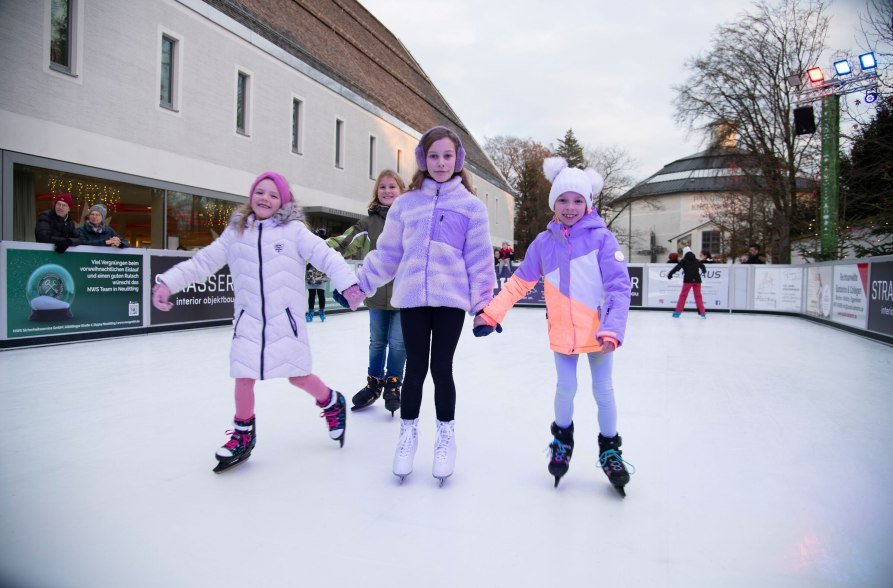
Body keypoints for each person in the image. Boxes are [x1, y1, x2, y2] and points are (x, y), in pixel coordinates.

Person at [151, 171, 365, 473]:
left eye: (273, 194)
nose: (265, 198)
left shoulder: (294, 231)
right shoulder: (237, 231)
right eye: (260, 192)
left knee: (298, 376)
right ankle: (243, 434)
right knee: (243, 375)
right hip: (249, 319)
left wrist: (349, 285)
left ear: (284, 201)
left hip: (285, 320)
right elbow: (202, 263)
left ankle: (331, 402)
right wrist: (167, 283)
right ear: (251, 196)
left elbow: (326, 257)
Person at [473, 156, 633, 496]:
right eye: (563, 199)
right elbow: (518, 283)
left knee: (603, 391)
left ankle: (610, 450)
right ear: (554, 203)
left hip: (599, 332)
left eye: (578, 200)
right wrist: (491, 313)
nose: (571, 207)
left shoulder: (603, 240)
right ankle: (561, 440)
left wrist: (613, 328)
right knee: (566, 388)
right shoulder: (544, 244)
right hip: (563, 331)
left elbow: (619, 286)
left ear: (588, 203)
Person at [353, 126, 496, 485]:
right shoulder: (405, 204)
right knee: (415, 367)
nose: (441, 163)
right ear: (423, 159)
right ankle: (408, 435)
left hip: (450, 301)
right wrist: (362, 285)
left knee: (441, 368)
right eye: (434, 156)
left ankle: (445, 437)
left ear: (458, 159)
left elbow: (479, 261)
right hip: (413, 297)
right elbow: (387, 254)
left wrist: (483, 307)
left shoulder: (471, 207)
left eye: (448, 156)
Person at [327, 169, 407, 414]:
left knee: (398, 343)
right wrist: (317, 248)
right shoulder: (368, 223)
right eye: (382, 187)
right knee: (377, 343)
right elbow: (344, 242)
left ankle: (393, 384)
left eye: (392, 186)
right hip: (375, 295)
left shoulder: (411, 220)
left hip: (404, 297)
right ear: (376, 192)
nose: (387, 191)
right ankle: (374, 384)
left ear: (402, 191)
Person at [667, 246, 707, 318]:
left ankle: (677, 312)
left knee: (683, 296)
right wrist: (704, 271)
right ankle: (702, 312)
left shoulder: (684, 261)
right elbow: (703, 266)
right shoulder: (696, 260)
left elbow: (677, 268)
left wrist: (670, 274)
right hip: (697, 280)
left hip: (688, 280)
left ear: (684, 253)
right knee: (698, 296)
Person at [305, 229, 330, 322]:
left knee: (321, 294)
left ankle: (321, 312)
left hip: (321, 273)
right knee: (311, 294)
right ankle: (310, 313)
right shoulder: (311, 245)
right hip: (311, 273)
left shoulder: (326, 245)